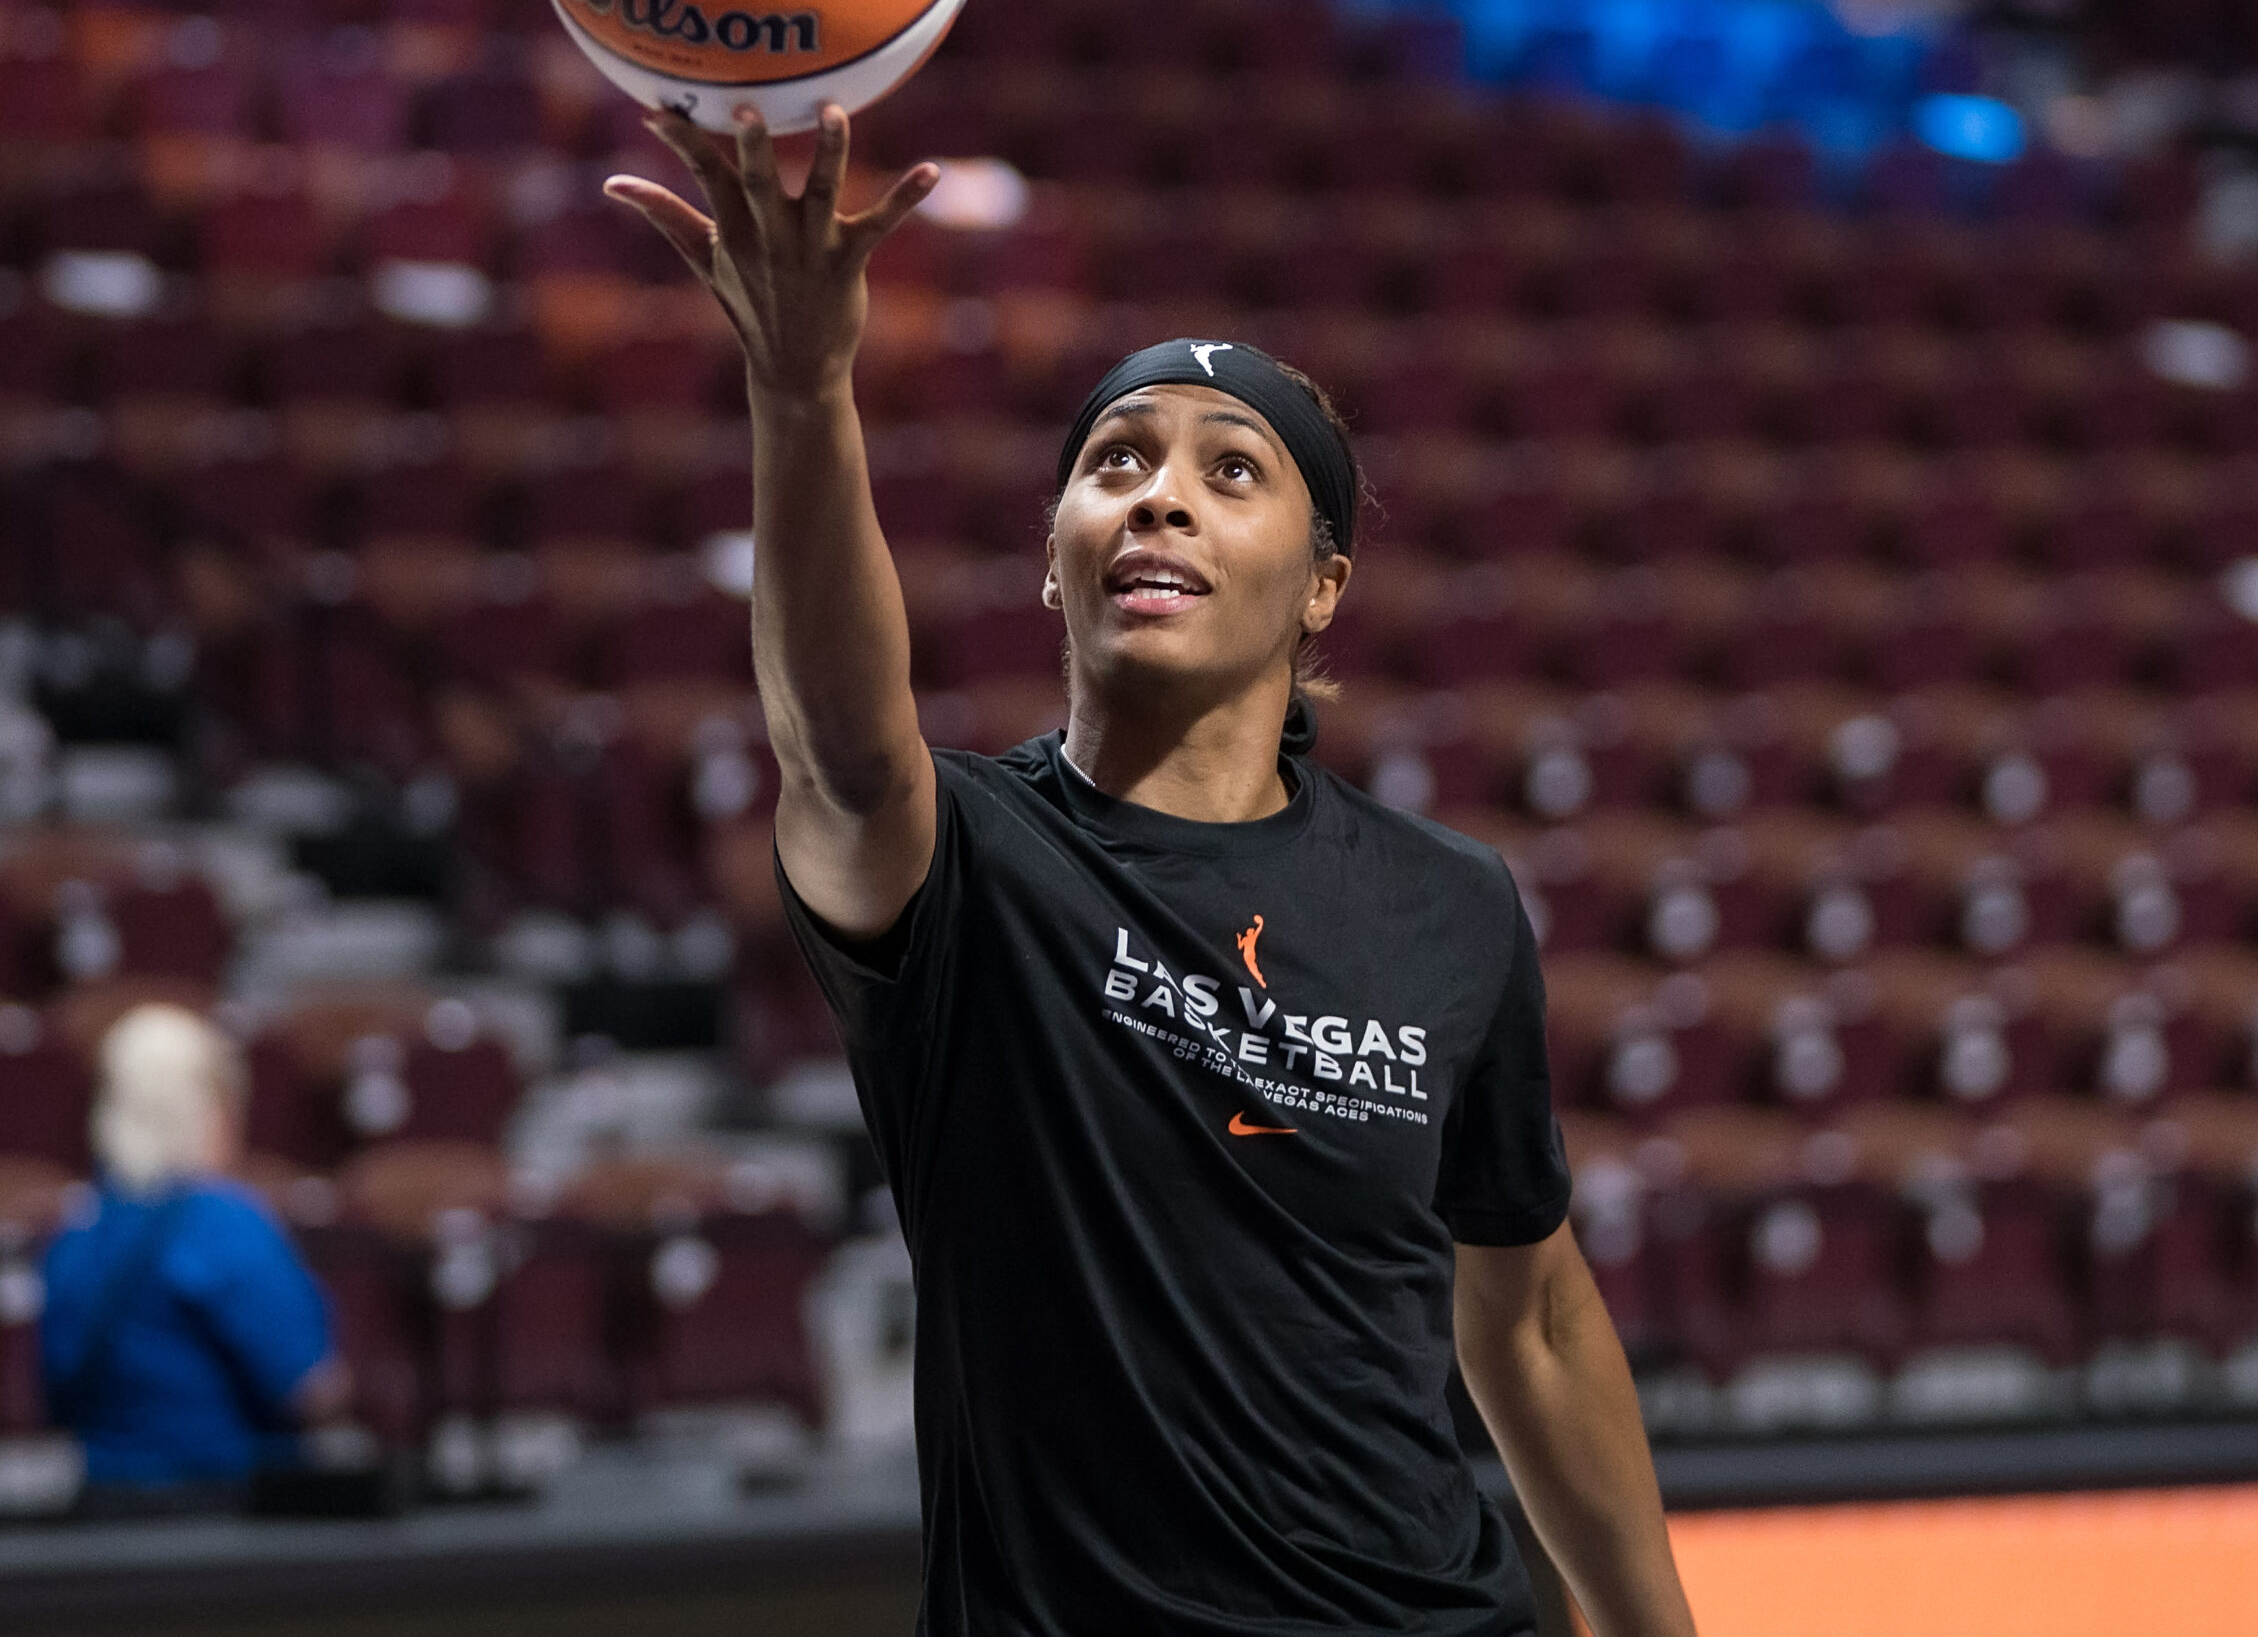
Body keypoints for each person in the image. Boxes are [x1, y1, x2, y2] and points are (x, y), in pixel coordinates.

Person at [609, 105, 1697, 1637]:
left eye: (1230, 471)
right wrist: (803, 386)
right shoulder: (974, 867)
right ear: (1057, 549)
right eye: (1114, 462)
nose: (1159, 495)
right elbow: (844, 753)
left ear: (1324, 585)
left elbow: (1528, 1319)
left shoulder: (1448, 905)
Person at [40, 1005, 349, 1501]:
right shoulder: (224, 1222)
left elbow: (56, 1395)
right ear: (210, 1107)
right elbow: (312, 1388)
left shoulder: (79, 1230)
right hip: (228, 1511)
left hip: (107, 1512)